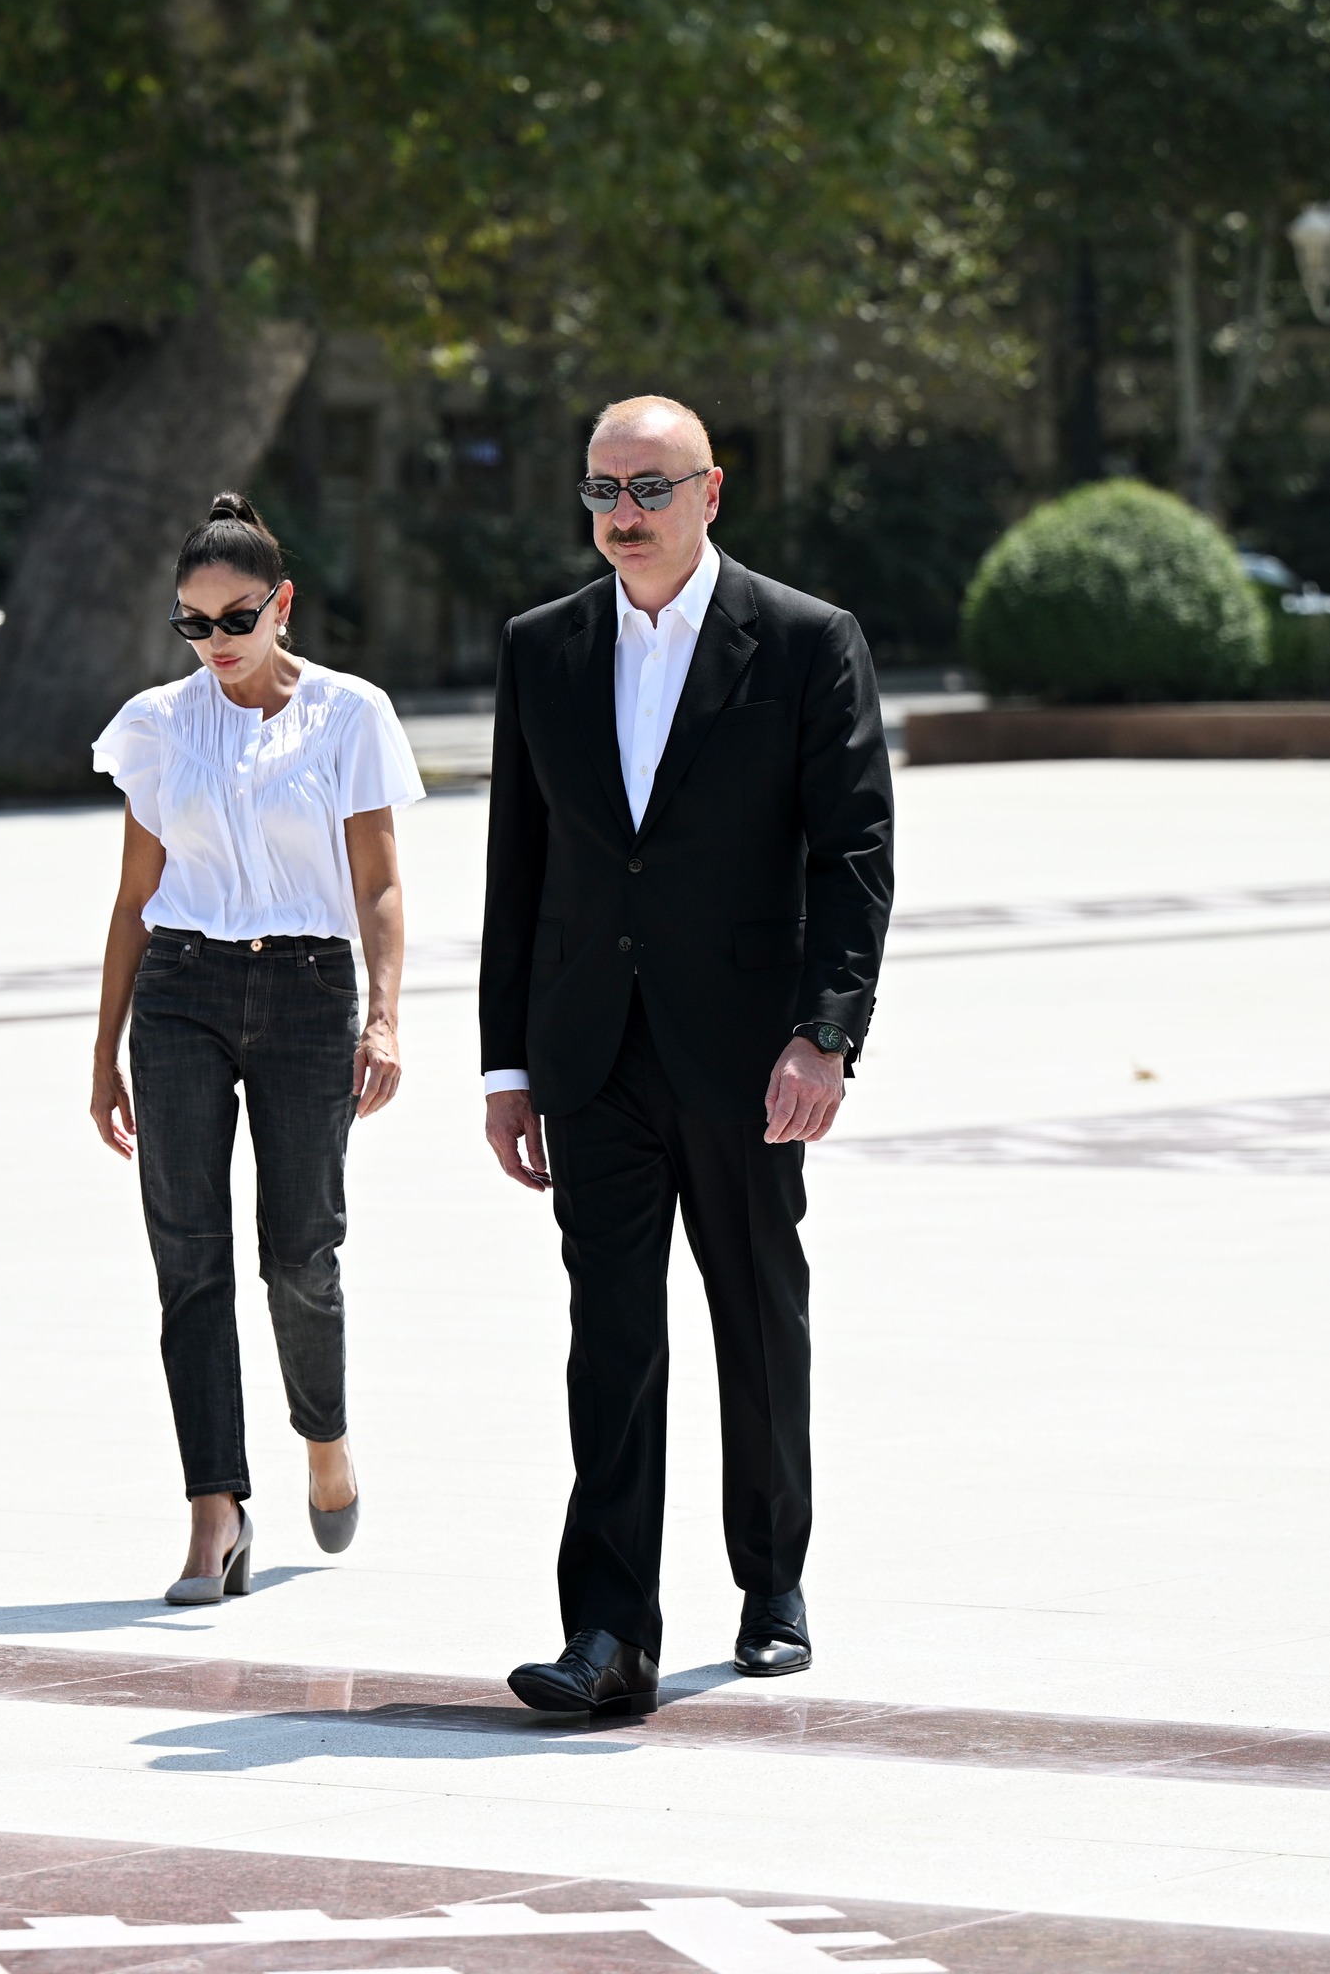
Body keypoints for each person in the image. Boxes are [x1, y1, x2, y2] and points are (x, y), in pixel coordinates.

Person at [480, 395, 893, 1714]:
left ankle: (771, 1581)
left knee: (756, 1317)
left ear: (712, 492)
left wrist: (824, 1035)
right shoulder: (540, 646)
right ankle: (608, 1632)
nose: (624, 514)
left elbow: (852, 855)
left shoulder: (806, 639)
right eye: (603, 490)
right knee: (609, 1339)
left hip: (747, 1053)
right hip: (590, 1053)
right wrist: (505, 1067)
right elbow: (518, 867)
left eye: (650, 488)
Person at [90, 491, 423, 1604]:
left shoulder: (348, 713)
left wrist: (384, 1014)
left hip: (307, 988)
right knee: (187, 1256)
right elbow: (134, 898)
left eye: (236, 619)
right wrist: (102, 1054)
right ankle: (215, 1507)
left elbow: (378, 882)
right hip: (180, 990)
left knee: (301, 1251)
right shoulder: (155, 723)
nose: (216, 642)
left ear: (281, 604)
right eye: (193, 623)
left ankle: (323, 1435)